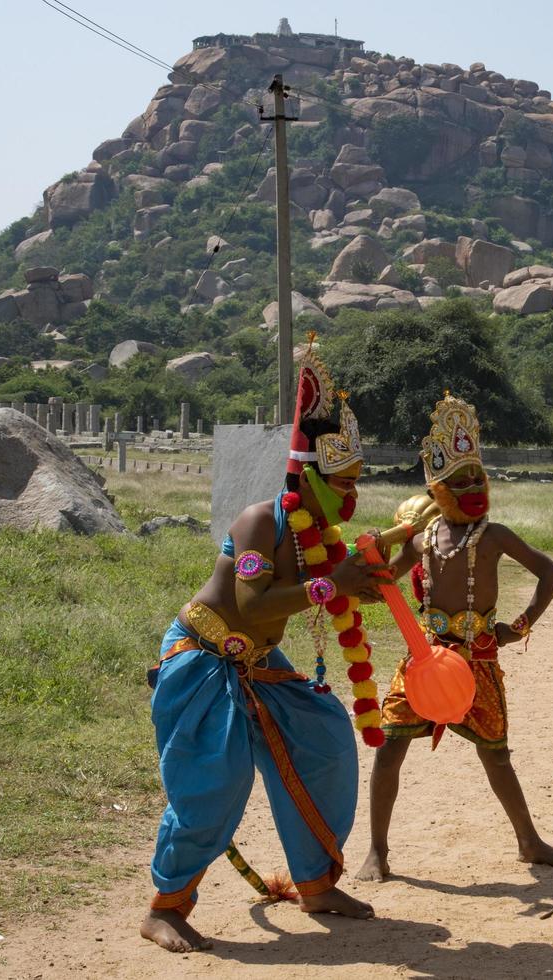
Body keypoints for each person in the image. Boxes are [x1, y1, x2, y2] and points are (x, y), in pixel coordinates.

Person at [140, 349, 385, 953]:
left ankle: (317, 885)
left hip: (258, 665)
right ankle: (164, 908)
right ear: (311, 478)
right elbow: (251, 606)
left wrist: (382, 572)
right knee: (216, 782)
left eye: (357, 482)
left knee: (325, 743)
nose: (352, 496)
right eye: (344, 484)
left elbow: (333, 593)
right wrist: (335, 583)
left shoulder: (319, 538)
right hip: (201, 658)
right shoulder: (257, 522)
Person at [356, 392, 553, 881]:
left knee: (496, 755)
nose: (474, 486)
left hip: (478, 659)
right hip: (424, 659)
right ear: (438, 489)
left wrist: (518, 627)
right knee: (389, 748)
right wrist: (361, 568)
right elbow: (385, 584)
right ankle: (376, 851)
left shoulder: (495, 534)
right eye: (461, 480)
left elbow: (551, 573)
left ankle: (530, 841)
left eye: (479, 476)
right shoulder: (421, 537)